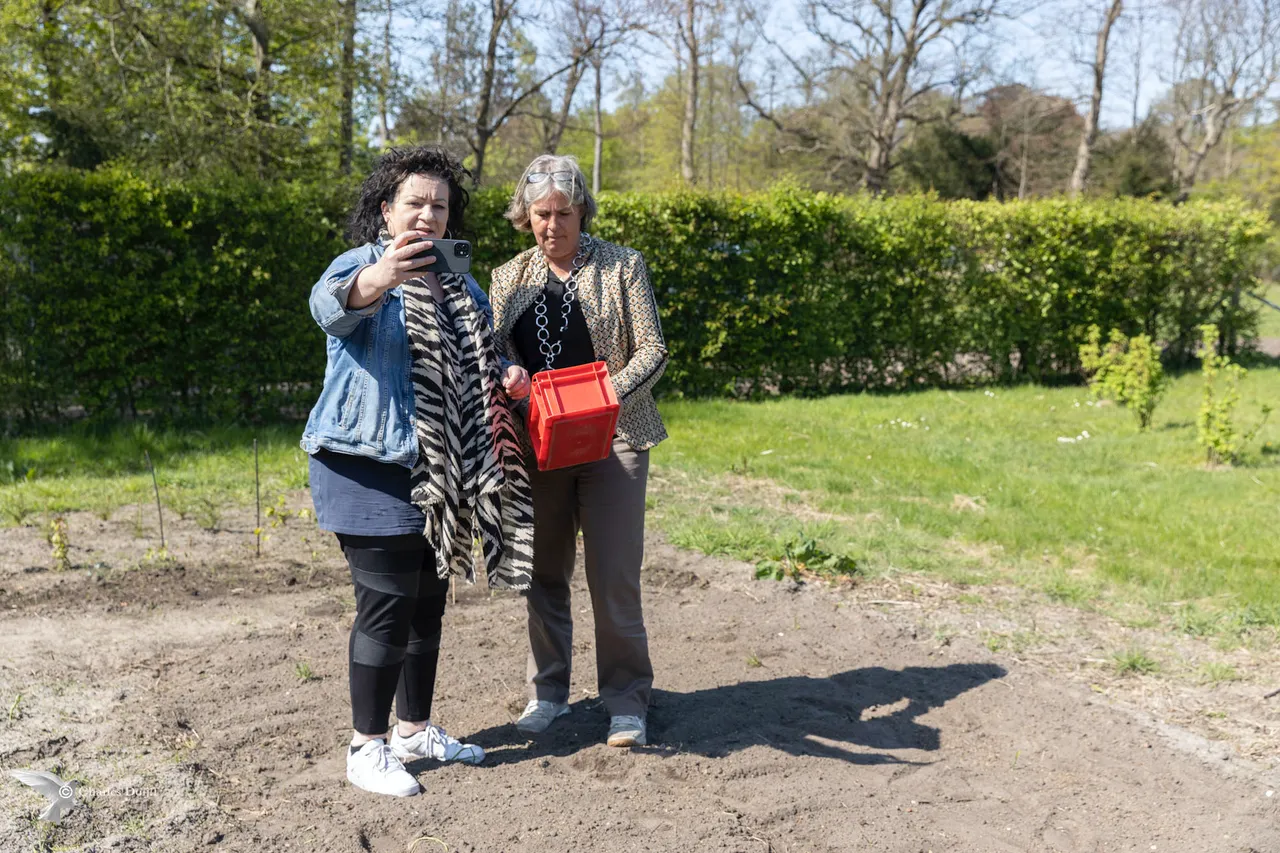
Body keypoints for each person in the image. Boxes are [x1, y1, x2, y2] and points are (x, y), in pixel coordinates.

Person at [300, 146, 533, 797]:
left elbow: (482, 357)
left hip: (438, 470)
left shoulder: (461, 285)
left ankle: (413, 731)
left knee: (428, 606)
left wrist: (507, 374)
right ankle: (365, 747)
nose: (428, 215)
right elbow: (329, 309)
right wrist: (380, 277)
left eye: (439, 205)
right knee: (387, 605)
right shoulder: (358, 264)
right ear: (387, 210)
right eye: (415, 203)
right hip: (363, 465)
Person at [489, 154, 668, 748]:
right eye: (541, 214)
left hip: (615, 438)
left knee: (613, 577)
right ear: (526, 216)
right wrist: (509, 372)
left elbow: (653, 351)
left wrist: (598, 398)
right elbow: (494, 351)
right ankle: (549, 694)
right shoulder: (509, 277)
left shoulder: (622, 266)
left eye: (564, 213)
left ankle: (627, 703)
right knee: (544, 575)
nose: (552, 225)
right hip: (540, 443)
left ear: (582, 210)